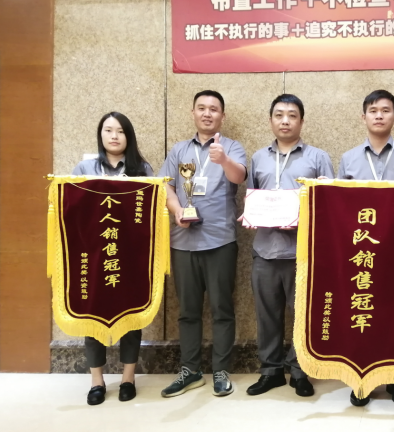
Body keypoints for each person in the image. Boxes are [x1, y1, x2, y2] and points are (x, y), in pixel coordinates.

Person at [242, 94, 335, 398]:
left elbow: (330, 204)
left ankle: (300, 371)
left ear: (301, 121)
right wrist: (251, 214)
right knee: (267, 315)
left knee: (303, 315)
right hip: (265, 250)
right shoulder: (258, 157)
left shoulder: (318, 157)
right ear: (271, 120)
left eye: (292, 115)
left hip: (302, 253)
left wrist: (306, 212)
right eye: (279, 115)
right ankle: (270, 371)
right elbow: (253, 195)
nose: (285, 121)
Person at [338, 89, 394, 407]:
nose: (379, 115)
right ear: (363, 117)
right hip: (361, 254)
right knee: (361, 313)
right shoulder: (348, 158)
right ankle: (361, 380)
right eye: (373, 110)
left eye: (385, 110)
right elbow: (339, 206)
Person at [158, 90, 247, 398]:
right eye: (202, 108)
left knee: (222, 309)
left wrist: (223, 160)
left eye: (214, 109)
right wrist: (176, 211)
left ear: (222, 115)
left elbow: (239, 177)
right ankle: (190, 370)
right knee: (188, 311)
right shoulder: (179, 150)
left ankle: (221, 371)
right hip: (183, 242)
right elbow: (165, 186)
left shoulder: (231, 147)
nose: (207, 113)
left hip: (220, 241)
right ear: (193, 112)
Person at [72, 111, 153, 406]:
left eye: (120, 131)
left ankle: (128, 378)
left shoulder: (141, 170)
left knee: (130, 314)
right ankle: (97, 381)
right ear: (101, 134)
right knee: (92, 315)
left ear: (128, 136)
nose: (114, 136)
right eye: (108, 130)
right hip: (95, 254)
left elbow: (150, 212)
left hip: (130, 255)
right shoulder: (85, 168)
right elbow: (72, 209)